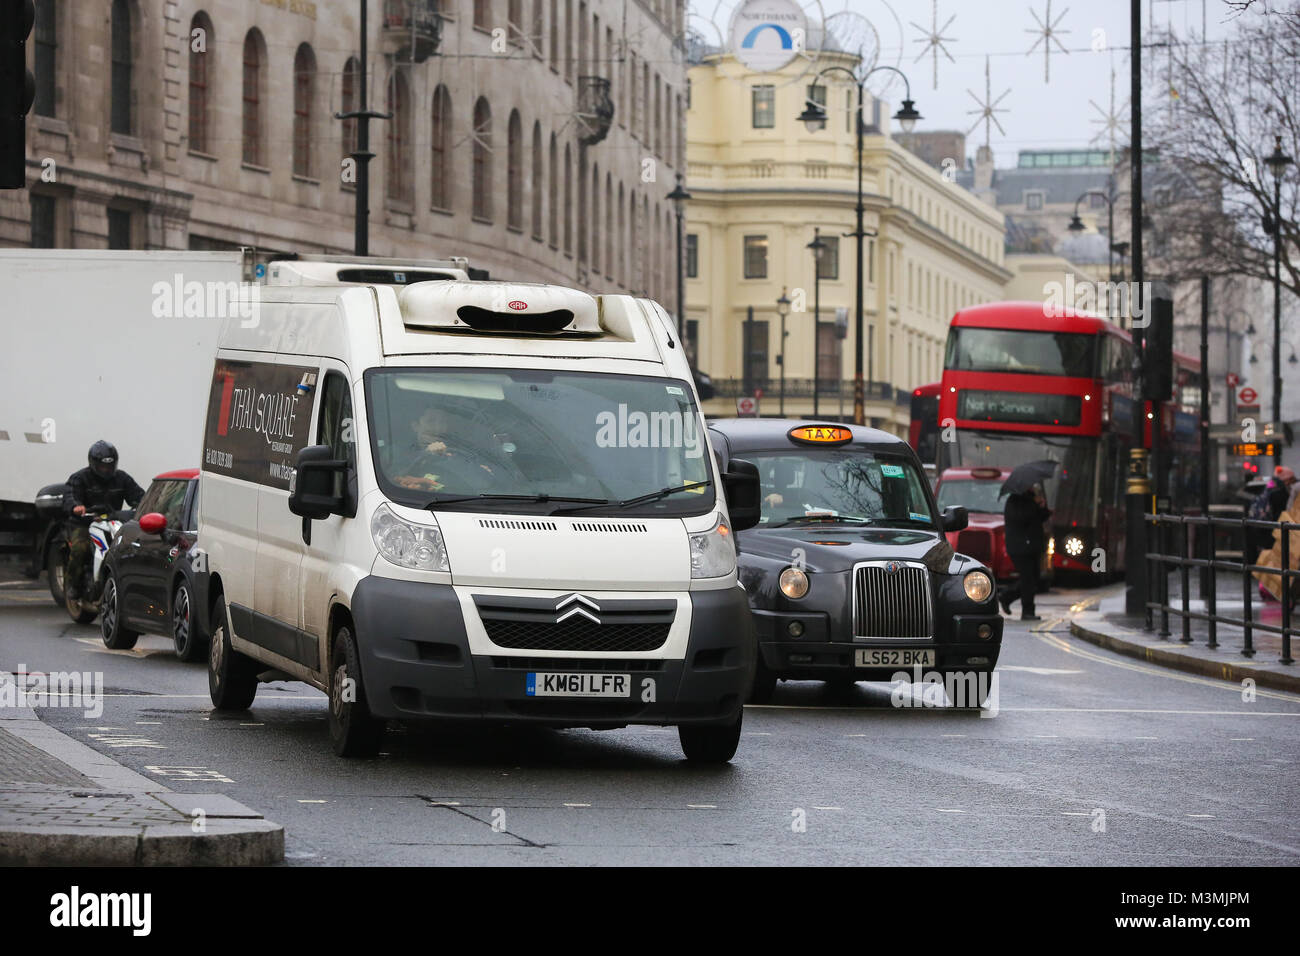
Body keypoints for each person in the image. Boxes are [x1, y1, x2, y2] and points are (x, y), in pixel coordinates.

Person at [62, 440, 145, 600]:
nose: (106, 470)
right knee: (80, 548)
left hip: (113, 521)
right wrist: (76, 507)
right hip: (83, 523)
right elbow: (70, 496)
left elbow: (139, 496)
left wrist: (146, 506)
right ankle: (73, 584)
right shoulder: (80, 478)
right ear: (93, 464)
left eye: (109, 466)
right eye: (102, 466)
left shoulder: (122, 478)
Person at [999, 483, 1052, 622]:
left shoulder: (1029, 499)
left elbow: (1039, 517)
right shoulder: (1014, 500)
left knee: (1033, 578)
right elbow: (1022, 518)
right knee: (1028, 579)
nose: (1033, 488)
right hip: (1020, 547)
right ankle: (1027, 611)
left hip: (1032, 546)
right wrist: (1035, 505)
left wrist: (1042, 507)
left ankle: (1007, 596)